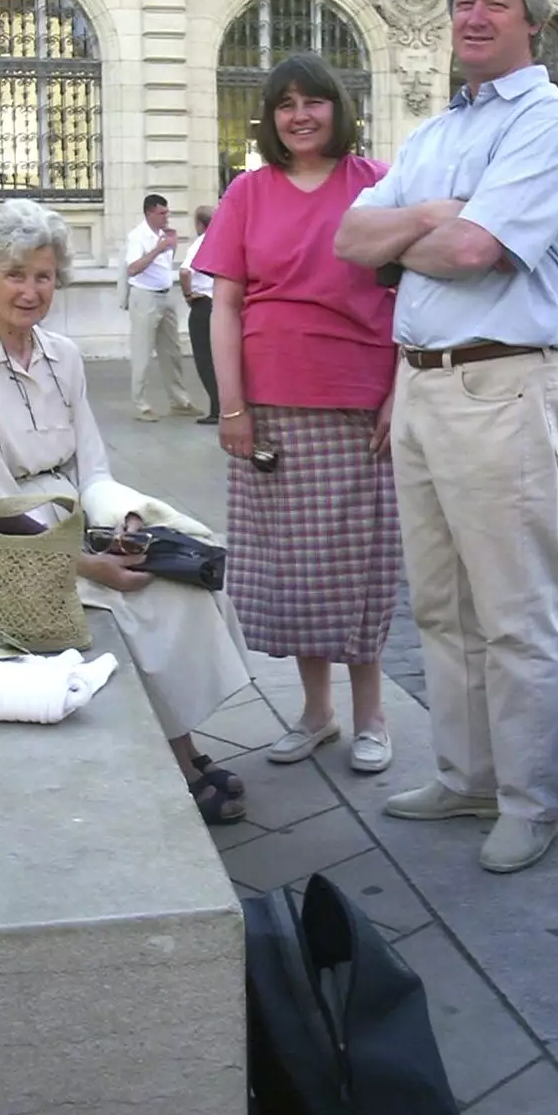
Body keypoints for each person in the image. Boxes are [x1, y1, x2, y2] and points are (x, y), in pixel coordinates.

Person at [334, 0, 558, 874]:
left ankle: (531, 799)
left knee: (514, 609)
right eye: (462, 2)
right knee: (442, 605)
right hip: (420, 382)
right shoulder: (438, 131)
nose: (474, 17)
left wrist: (423, 229)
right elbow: (350, 236)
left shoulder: (550, 126)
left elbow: (477, 253)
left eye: (494, 1)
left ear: (533, 16)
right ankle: (466, 774)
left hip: (500, 382)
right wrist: (429, 218)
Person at [0, 199, 254, 825]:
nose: (30, 291)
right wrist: (89, 565)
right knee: (141, 604)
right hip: (5, 543)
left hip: (74, 517)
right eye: (15, 275)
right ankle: (182, 758)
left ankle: (177, 746)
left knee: (187, 573)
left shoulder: (64, 356)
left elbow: (94, 470)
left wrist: (126, 526)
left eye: (43, 276)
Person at [197, 53, 401, 775]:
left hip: (358, 404)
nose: (301, 114)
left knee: (360, 565)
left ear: (337, 108)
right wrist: (231, 406)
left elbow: (416, 297)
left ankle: (372, 715)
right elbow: (223, 306)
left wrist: (400, 391)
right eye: (285, 103)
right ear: (271, 119)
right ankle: (317, 714)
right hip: (270, 409)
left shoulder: (377, 184)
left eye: (314, 100)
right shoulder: (248, 194)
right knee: (296, 569)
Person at [124, 193, 197, 422]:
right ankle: (141, 405)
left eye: (167, 212)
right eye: (161, 213)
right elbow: (133, 269)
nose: (166, 217)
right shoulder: (138, 237)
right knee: (143, 353)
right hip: (144, 297)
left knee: (172, 352)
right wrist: (157, 249)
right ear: (149, 213)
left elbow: (164, 266)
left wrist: (169, 247)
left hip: (166, 296)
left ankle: (179, 401)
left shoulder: (163, 235)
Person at [179, 205, 220, 426]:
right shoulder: (222, 241)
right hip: (220, 304)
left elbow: (185, 271)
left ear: (199, 224)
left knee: (205, 359)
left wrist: (187, 294)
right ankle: (221, 405)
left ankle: (217, 408)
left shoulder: (200, 243)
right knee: (219, 358)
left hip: (203, 303)